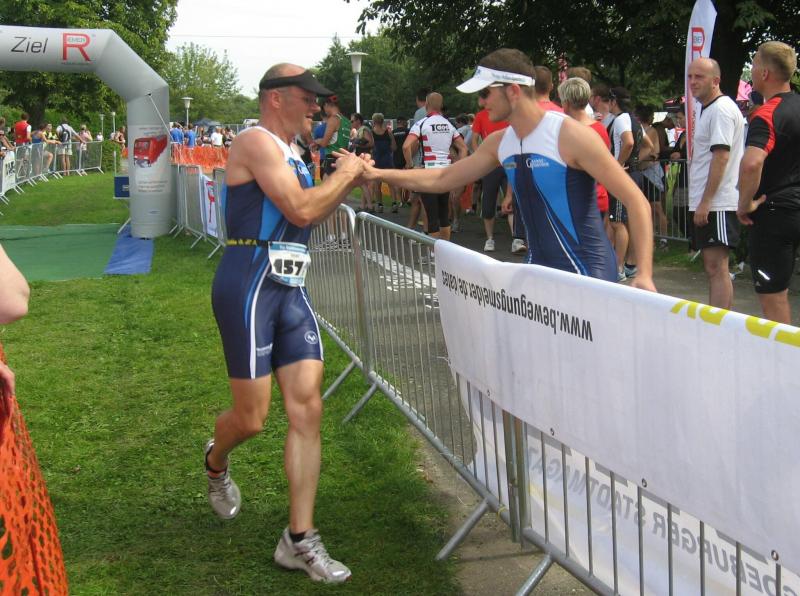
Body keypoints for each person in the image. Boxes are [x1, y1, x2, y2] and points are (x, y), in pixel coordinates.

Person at [206, 62, 364, 584]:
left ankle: (299, 539)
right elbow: (299, 209)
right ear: (276, 98)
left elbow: (313, 213)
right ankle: (216, 460)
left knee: (307, 408)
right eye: (307, 97)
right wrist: (345, 175)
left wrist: (347, 177)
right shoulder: (254, 142)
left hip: (291, 288)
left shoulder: (296, 152)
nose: (316, 107)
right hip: (248, 285)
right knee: (252, 418)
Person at [359, 49, 655, 291]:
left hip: (587, 276)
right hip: (536, 274)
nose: (480, 102)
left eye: (485, 93)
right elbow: (442, 177)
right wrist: (377, 174)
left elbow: (636, 201)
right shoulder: (500, 142)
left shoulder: (570, 136)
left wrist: (644, 273)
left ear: (513, 91)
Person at [737, 41, 800, 324]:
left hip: (776, 212)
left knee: (773, 296)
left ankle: (784, 352)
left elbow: (752, 163)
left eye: (753, 65)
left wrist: (744, 203)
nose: (751, 73)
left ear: (764, 73)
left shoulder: (766, 113)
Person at [686, 57, 744, 310]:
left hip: (717, 202)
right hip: (710, 200)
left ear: (716, 80)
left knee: (717, 266)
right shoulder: (709, 109)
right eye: (690, 76)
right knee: (713, 266)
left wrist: (706, 202)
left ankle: (719, 323)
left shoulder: (720, 109)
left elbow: (721, 156)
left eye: (699, 76)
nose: (692, 82)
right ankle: (718, 321)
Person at [403, 92, 468, 240]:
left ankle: (434, 250)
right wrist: (459, 169)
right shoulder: (449, 125)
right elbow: (463, 148)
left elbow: (406, 147)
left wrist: (411, 166)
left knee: (432, 216)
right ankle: (445, 247)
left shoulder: (421, 124)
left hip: (429, 173)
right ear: (441, 105)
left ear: (426, 104)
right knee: (444, 214)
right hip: (445, 172)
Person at [558, 77, 611, 236]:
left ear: (566, 103)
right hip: (596, 198)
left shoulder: (570, 131)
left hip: (579, 200)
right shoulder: (600, 128)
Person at [314, 95, 351, 178]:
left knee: (327, 185)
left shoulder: (333, 119)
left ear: (326, 105)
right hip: (343, 158)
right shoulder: (346, 121)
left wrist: (315, 141)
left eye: (323, 107)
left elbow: (324, 143)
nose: (324, 110)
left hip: (332, 158)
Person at [369, 113, 395, 213]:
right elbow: (394, 147)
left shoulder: (371, 133)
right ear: (382, 121)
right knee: (391, 184)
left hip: (376, 160)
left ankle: (380, 205)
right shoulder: (388, 133)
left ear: (373, 121)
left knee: (377, 184)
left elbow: (370, 147)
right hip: (387, 160)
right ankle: (394, 204)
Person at [390, 116, 410, 211]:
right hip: (406, 157)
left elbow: (391, 146)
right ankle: (408, 199)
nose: (407, 123)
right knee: (409, 179)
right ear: (402, 121)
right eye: (406, 121)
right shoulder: (408, 131)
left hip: (396, 158)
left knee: (397, 180)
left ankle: (400, 200)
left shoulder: (393, 132)